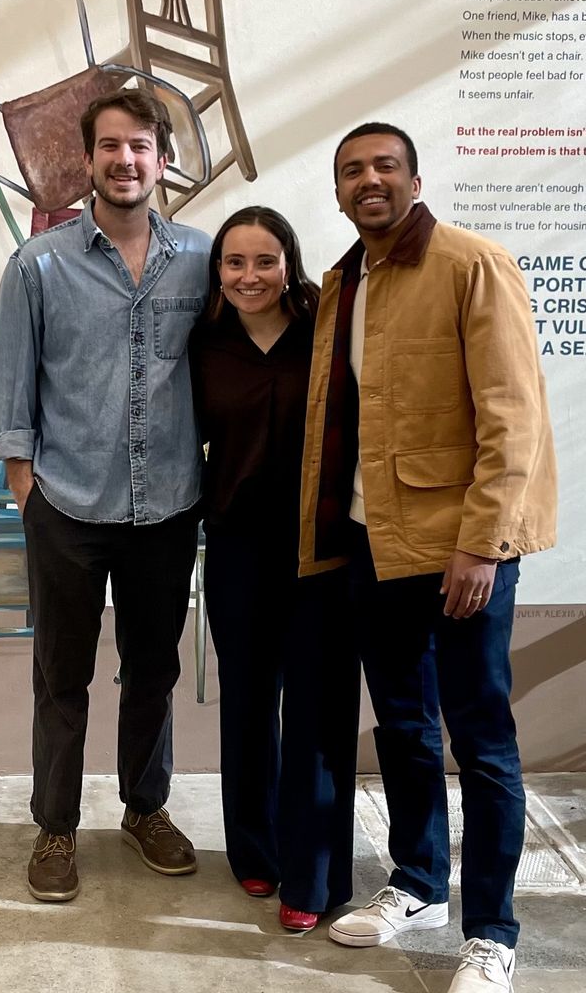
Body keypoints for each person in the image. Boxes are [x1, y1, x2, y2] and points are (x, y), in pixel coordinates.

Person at [300, 123, 557, 993]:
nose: (367, 181)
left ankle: (493, 932)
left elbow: (513, 417)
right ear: (338, 191)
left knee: (482, 739)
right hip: (378, 544)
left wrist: (483, 542)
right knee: (404, 727)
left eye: (383, 167)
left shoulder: (471, 264)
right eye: (351, 171)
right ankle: (417, 885)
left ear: (413, 178)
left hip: (463, 553)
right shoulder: (347, 281)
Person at [0, 88, 213, 903]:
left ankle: (145, 809)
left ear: (161, 158)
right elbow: (7, 374)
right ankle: (55, 824)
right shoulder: (39, 264)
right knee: (61, 676)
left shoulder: (201, 257)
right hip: (69, 505)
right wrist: (23, 481)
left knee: (152, 671)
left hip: (169, 505)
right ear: (88, 161)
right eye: (110, 146)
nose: (126, 160)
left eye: (142, 146)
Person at [188, 207, 359, 933]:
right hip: (235, 548)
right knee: (250, 704)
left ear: (289, 261)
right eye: (234, 262)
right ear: (217, 271)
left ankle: (314, 875)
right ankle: (252, 848)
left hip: (321, 550)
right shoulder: (202, 344)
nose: (249, 277)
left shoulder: (327, 334)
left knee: (318, 711)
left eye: (264, 261)